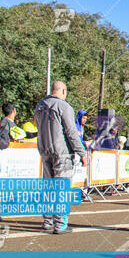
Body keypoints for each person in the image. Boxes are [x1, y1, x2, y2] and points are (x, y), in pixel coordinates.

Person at [34, 81, 87, 234]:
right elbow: (71, 132)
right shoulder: (64, 107)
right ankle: (60, 223)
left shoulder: (40, 105)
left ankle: (47, 220)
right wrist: (82, 153)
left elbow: (38, 126)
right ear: (63, 91)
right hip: (62, 152)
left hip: (45, 150)